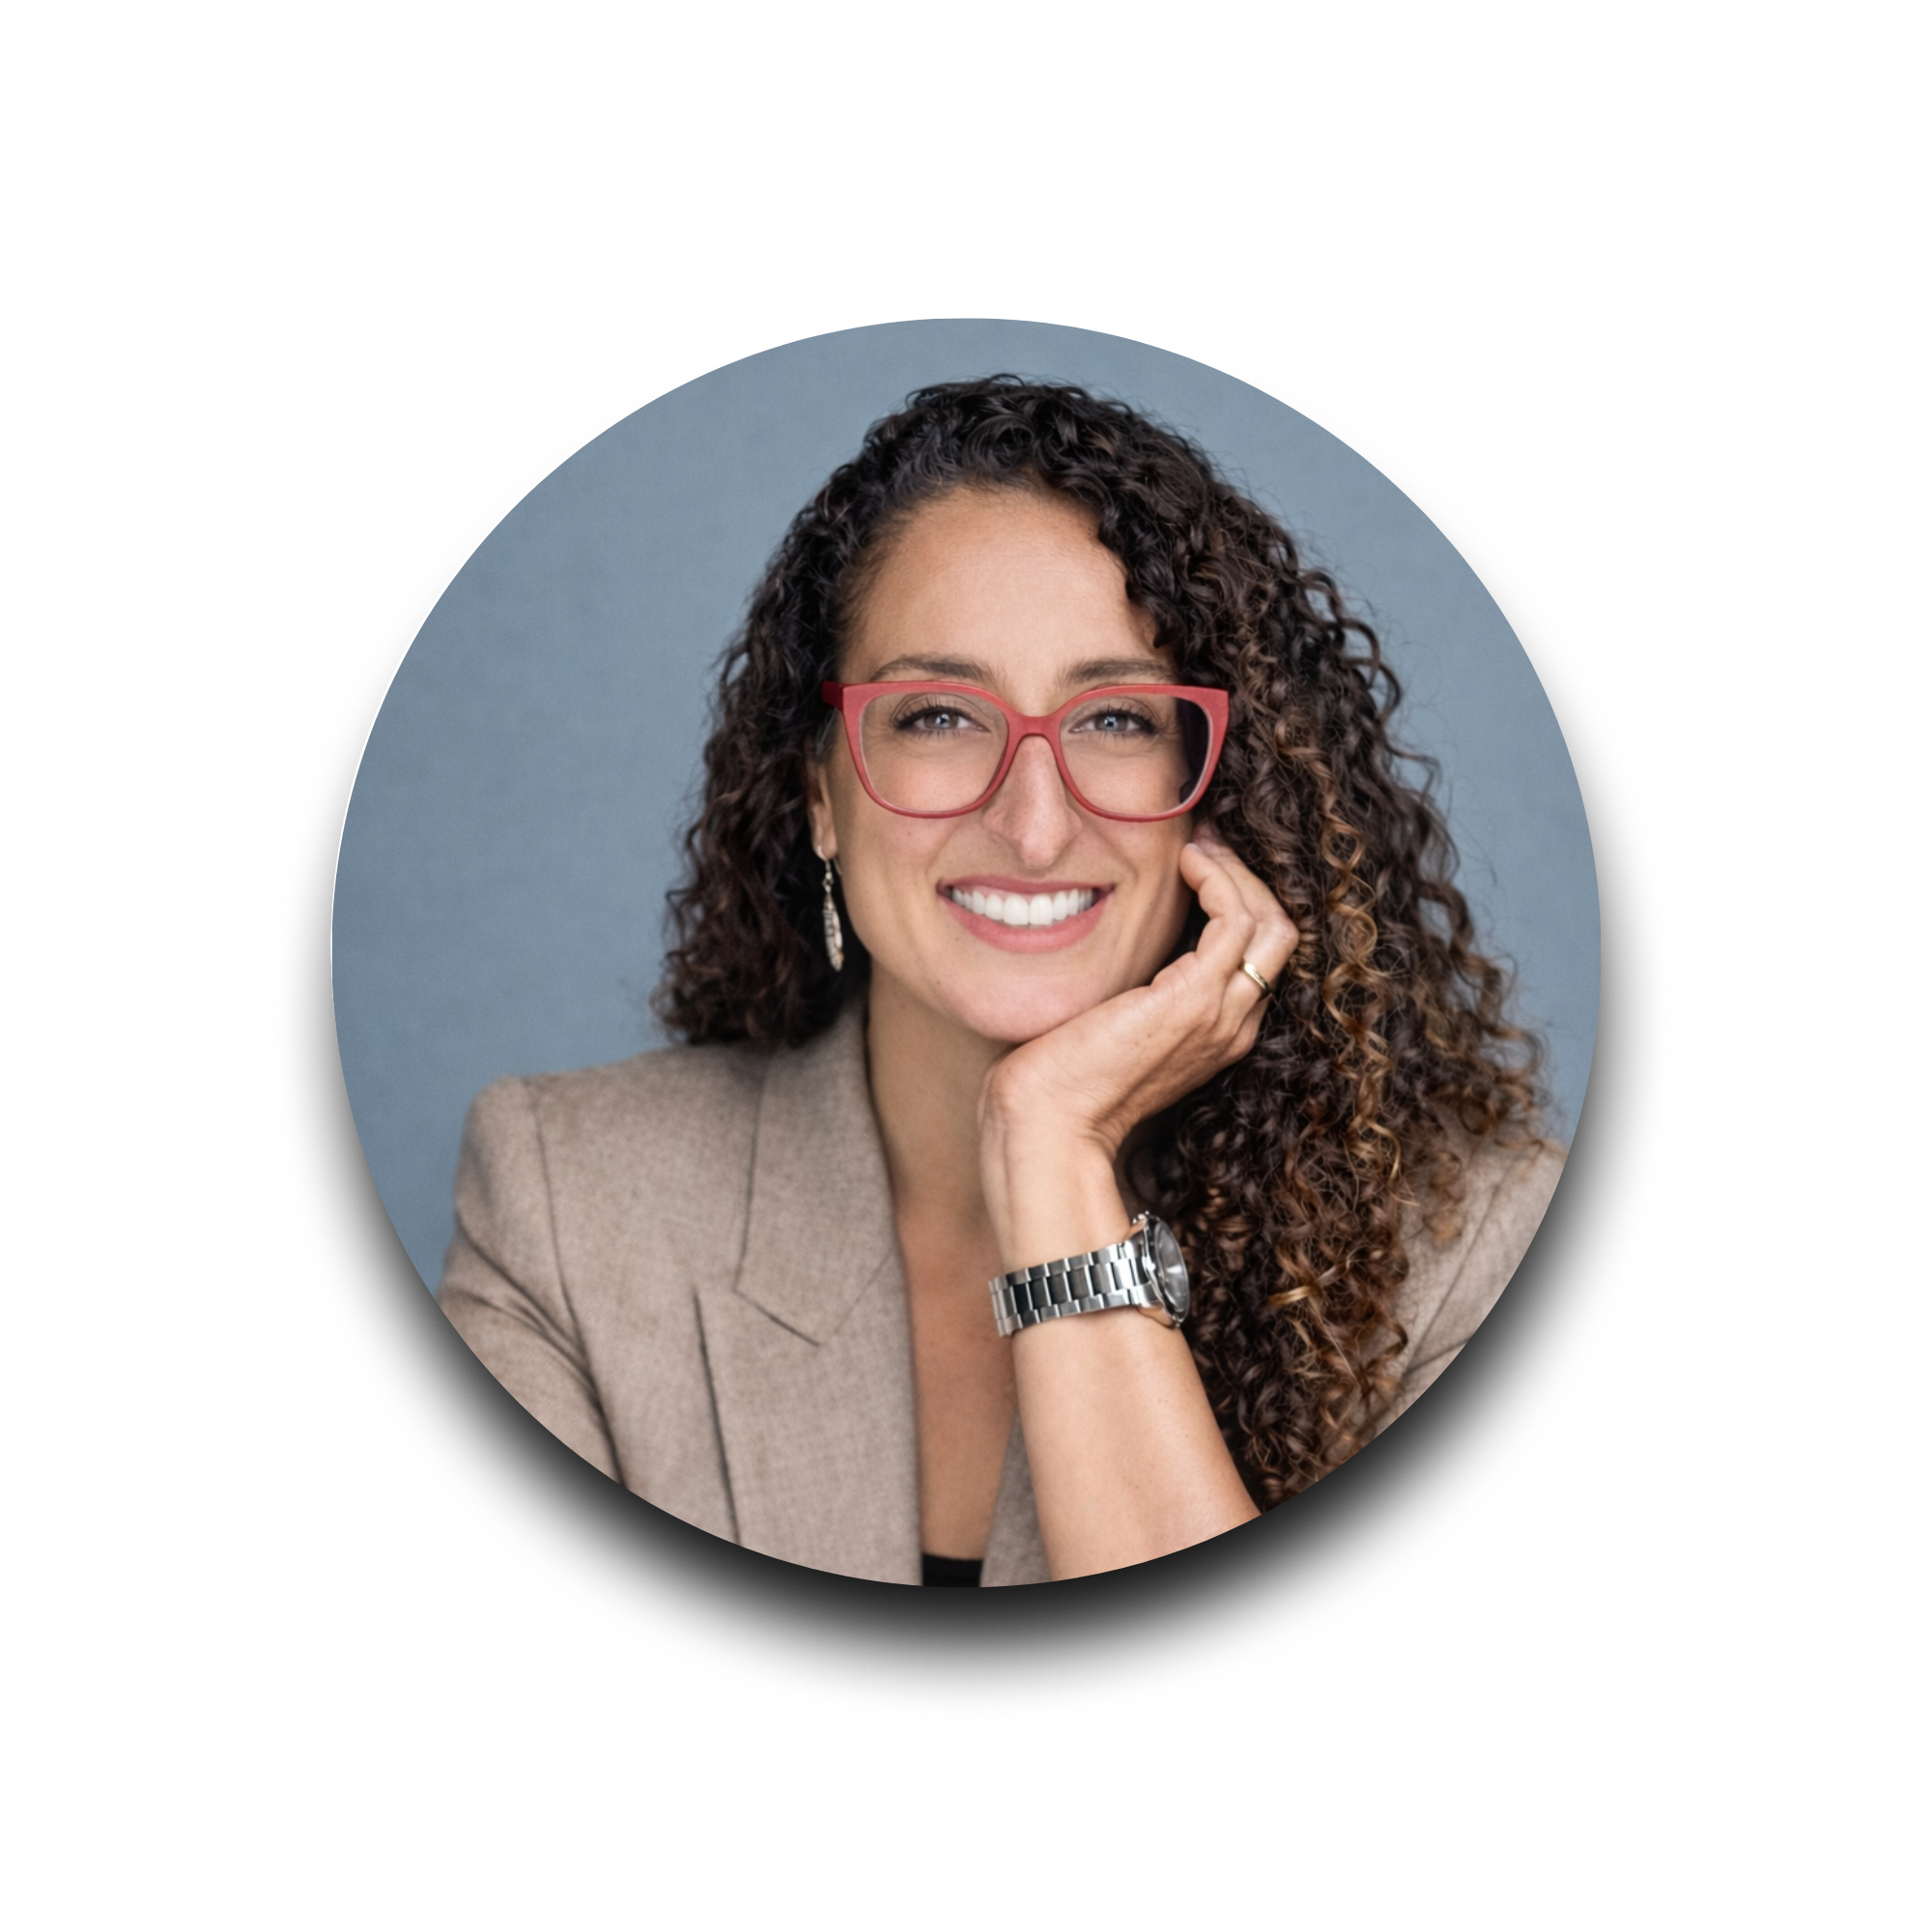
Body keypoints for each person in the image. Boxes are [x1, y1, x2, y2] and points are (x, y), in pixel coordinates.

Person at [436, 376, 1563, 1584]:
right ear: (820, 795)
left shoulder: (1461, 1249)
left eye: (1116, 719)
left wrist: (1052, 1150)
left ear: (1223, 789)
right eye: (937, 715)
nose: (1033, 825)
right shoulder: (565, 1201)